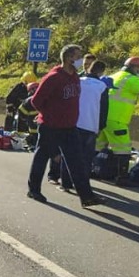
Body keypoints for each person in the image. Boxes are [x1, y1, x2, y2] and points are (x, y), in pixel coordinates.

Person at [26, 44, 106, 208]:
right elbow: (36, 101)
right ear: (69, 58)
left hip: (70, 127)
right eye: (78, 56)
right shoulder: (53, 77)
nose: (80, 60)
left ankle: (87, 197)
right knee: (41, 158)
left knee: (77, 162)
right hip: (51, 126)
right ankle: (33, 190)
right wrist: (49, 115)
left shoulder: (75, 76)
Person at [52, 59, 109, 192]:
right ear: (101, 72)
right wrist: (101, 126)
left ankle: (65, 183)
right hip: (90, 125)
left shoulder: (78, 80)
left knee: (69, 154)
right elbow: (104, 109)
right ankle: (82, 186)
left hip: (73, 122)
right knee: (85, 158)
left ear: (89, 68)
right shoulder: (102, 86)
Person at [96, 56, 139, 185]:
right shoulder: (131, 80)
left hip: (102, 117)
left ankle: (91, 170)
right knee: (124, 149)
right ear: (134, 68)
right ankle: (122, 178)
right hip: (117, 120)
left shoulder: (115, 75)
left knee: (97, 146)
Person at [17, 82, 39, 148]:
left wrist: (25, 119)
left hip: (33, 126)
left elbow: (21, 111)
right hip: (41, 126)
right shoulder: (43, 97)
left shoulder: (28, 101)